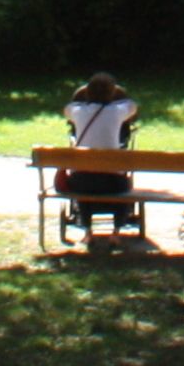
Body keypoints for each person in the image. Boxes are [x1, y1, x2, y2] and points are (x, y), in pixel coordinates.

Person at [57, 72, 141, 243]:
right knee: (125, 183)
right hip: (112, 183)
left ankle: (87, 231)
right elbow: (132, 105)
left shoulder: (78, 111)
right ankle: (116, 232)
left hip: (82, 182)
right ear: (111, 93)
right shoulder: (118, 111)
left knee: (83, 180)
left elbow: (67, 108)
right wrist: (115, 92)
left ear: (87, 93)